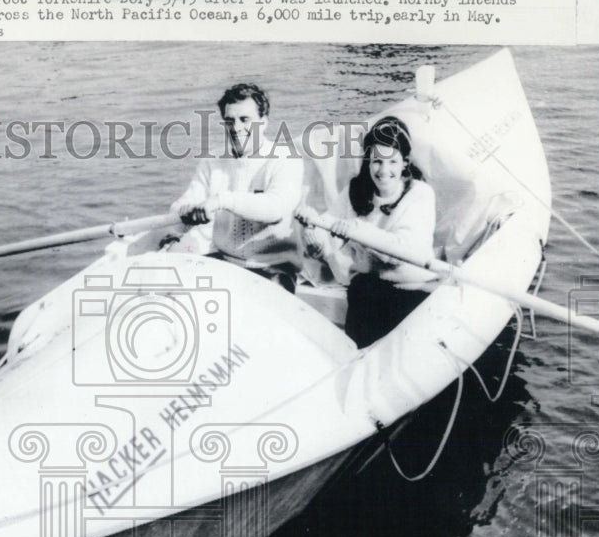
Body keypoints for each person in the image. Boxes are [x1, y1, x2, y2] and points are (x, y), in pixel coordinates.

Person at [297, 116, 436, 347]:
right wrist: (313, 232)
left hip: (412, 291)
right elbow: (327, 241)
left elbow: (400, 252)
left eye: (392, 161)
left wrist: (356, 230)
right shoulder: (356, 191)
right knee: (362, 290)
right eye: (376, 161)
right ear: (367, 162)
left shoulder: (420, 194)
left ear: (405, 162)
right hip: (369, 290)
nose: (383, 170)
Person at [165, 83, 304, 292]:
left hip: (272, 268)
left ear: (264, 122)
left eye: (244, 120)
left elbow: (275, 207)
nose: (236, 128)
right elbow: (185, 203)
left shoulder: (286, 159)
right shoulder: (213, 160)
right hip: (223, 260)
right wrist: (185, 210)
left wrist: (221, 200)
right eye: (229, 121)